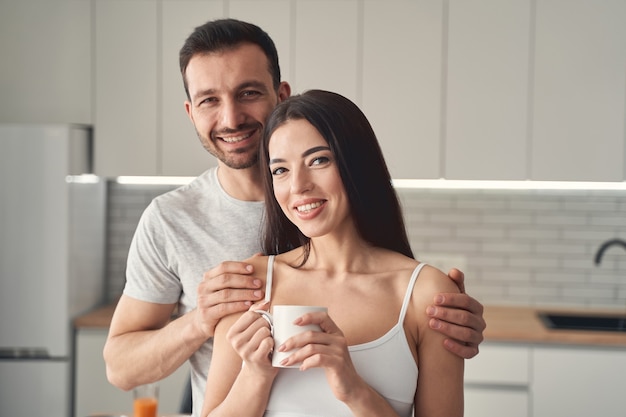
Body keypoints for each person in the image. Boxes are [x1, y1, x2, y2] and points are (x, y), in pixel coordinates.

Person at [103, 18, 484, 415]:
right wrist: (203, 321)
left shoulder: (414, 288)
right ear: (190, 111)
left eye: (247, 92)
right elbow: (120, 366)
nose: (231, 118)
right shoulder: (179, 226)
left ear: (280, 95)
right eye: (209, 100)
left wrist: (441, 318)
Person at [201, 89, 464, 417]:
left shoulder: (425, 294)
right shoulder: (250, 283)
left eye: (318, 160)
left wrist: (352, 388)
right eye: (280, 170)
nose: (298, 185)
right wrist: (254, 375)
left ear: (357, 165)